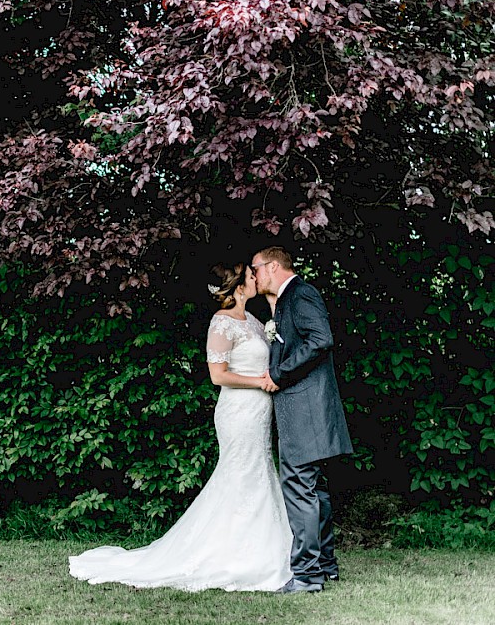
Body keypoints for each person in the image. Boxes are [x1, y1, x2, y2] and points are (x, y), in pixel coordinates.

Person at [69, 263, 292, 591]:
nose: (255, 278)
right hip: (238, 410)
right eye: (249, 275)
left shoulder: (255, 321)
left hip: (260, 411)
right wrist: (260, 382)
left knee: (258, 470)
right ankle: (236, 555)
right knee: (242, 472)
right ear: (237, 287)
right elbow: (218, 376)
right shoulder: (221, 323)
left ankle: (260, 548)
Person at [251, 246, 353, 594]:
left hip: (304, 407)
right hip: (308, 409)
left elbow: (321, 339)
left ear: (273, 266)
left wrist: (278, 373)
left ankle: (307, 576)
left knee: (299, 488)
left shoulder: (301, 293)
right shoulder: (286, 299)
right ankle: (324, 566)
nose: (254, 275)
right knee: (314, 489)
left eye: (256, 269)